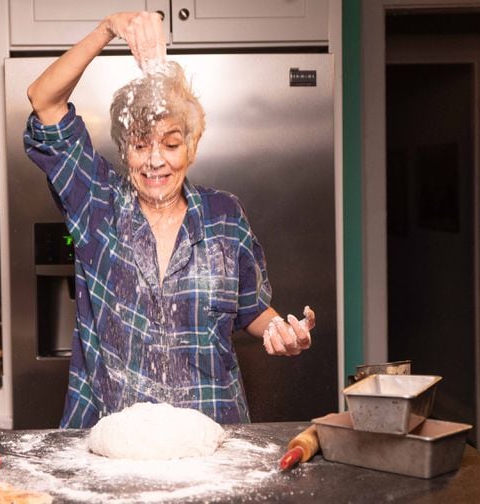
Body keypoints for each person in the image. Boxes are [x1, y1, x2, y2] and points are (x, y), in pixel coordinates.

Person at [24, 11, 316, 428]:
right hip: (113, 436)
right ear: (125, 151)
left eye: (171, 144)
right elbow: (43, 98)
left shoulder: (224, 216)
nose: (156, 160)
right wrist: (108, 29)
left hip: (213, 431)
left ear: (192, 148)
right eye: (141, 145)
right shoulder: (97, 202)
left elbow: (251, 311)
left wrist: (281, 332)